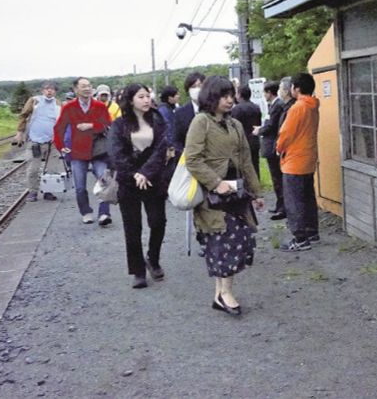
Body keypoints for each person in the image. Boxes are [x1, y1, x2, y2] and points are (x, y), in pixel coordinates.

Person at [183, 76, 265, 315]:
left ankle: (220, 293)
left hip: (236, 193)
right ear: (212, 97)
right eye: (224, 96)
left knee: (237, 241)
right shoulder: (201, 122)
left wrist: (256, 192)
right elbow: (193, 160)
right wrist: (216, 183)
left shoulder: (235, 124)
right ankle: (225, 294)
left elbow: (246, 161)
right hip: (213, 197)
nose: (230, 100)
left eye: (232, 95)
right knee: (222, 242)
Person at [107, 83, 171, 289]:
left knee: (158, 222)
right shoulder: (119, 124)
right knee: (132, 227)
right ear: (131, 100)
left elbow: (162, 149)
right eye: (141, 96)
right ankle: (138, 270)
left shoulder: (158, 120)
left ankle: (153, 258)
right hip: (129, 181)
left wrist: (146, 172)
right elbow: (116, 154)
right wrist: (134, 174)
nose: (146, 100)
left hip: (153, 178)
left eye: (147, 96)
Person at [54, 77, 114, 225]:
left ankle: (104, 213)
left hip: (98, 150)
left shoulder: (100, 106)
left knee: (104, 180)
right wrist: (61, 146)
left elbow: (108, 125)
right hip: (77, 151)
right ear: (76, 89)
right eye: (83, 86)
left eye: (89, 86)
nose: (87, 89)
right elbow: (59, 128)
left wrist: (91, 125)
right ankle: (86, 211)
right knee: (80, 186)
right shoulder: (69, 107)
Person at [276, 72, 320, 252]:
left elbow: (286, 133)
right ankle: (312, 232)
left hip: (294, 160)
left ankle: (300, 238)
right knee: (308, 197)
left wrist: (278, 148)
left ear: (297, 88)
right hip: (309, 157)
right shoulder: (313, 106)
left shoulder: (297, 108)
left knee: (294, 200)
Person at [14, 81, 61, 202]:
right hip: (35, 140)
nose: (49, 91)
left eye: (52, 89)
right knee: (33, 169)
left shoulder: (58, 103)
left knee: (52, 169)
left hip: (52, 142)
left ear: (55, 91)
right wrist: (20, 132)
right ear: (42, 90)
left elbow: (62, 121)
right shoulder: (34, 101)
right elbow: (23, 116)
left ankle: (48, 191)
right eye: (47, 89)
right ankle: (32, 192)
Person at [254, 81, 287, 220]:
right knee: (275, 178)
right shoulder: (274, 105)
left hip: (273, 146)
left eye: (265, 92)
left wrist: (259, 130)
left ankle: (283, 207)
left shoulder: (277, 106)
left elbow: (272, 125)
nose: (264, 95)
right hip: (271, 145)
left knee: (278, 178)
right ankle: (280, 205)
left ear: (269, 92)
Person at [230, 84, 262, 179]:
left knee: (244, 167)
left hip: (242, 142)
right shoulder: (256, 107)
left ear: (239, 95)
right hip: (254, 140)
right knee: (255, 165)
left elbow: (233, 126)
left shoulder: (237, 109)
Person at [173, 72, 206, 156]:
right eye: (193, 87)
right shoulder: (180, 113)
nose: (197, 89)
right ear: (188, 90)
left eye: (200, 86)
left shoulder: (213, 109)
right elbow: (176, 140)